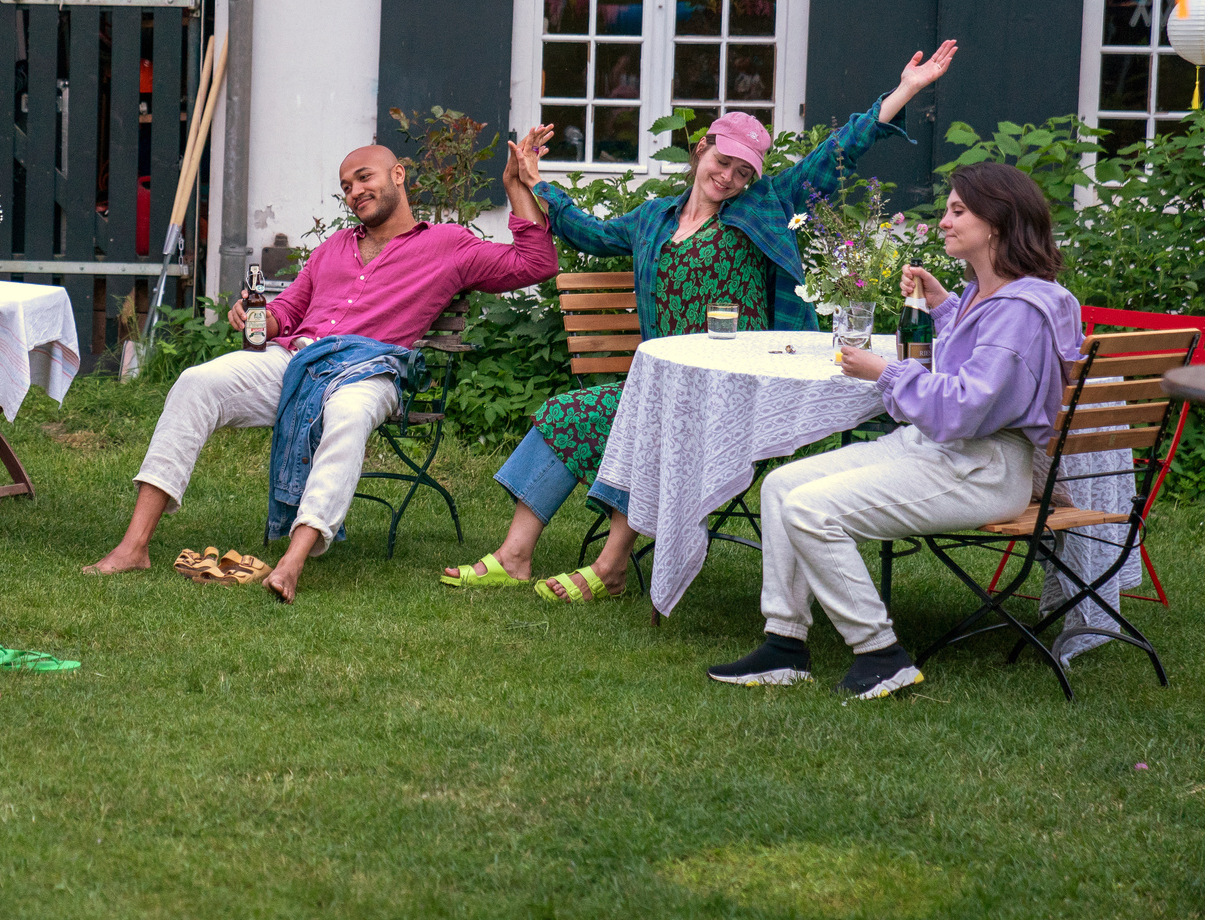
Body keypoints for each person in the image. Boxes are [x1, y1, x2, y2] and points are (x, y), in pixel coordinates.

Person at [443, 40, 960, 600]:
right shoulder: (651, 219)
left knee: (654, 422)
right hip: (666, 383)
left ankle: (611, 567)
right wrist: (537, 184)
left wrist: (904, 90)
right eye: (722, 161)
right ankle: (514, 556)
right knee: (566, 412)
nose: (729, 176)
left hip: (741, 391)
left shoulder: (764, 206)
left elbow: (837, 152)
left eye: (742, 171)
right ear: (701, 150)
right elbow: (588, 232)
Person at [85, 135, 561, 601]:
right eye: (346, 187)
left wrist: (516, 187)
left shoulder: (447, 244)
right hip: (298, 361)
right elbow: (287, 312)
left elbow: (535, 264)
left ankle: (292, 562)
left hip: (369, 369)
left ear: (398, 175)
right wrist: (258, 315)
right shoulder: (333, 248)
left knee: (348, 415)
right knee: (196, 381)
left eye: (364, 178)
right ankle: (134, 546)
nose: (355, 192)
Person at [707, 162, 1082, 699]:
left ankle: (881, 655)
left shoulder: (1020, 308)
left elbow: (965, 406)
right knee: (781, 486)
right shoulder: (994, 295)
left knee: (811, 510)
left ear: (997, 223)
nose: (945, 222)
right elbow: (981, 364)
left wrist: (885, 372)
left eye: (958, 211)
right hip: (941, 451)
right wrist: (944, 308)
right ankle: (784, 645)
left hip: (981, 468)